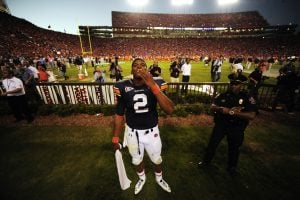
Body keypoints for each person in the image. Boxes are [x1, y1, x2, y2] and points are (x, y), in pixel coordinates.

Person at [112, 58, 174, 194]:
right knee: (136, 160)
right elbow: (119, 114)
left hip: (152, 132)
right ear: (131, 70)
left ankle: (159, 179)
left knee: (157, 159)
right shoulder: (122, 86)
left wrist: (153, 86)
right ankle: (142, 178)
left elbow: (169, 109)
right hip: (132, 133)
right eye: (135, 65)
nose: (139, 68)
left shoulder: (158, 82)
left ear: (147, 69)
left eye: (142, 66)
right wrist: (116, 137)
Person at [198, 74, 257, 176]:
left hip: (237, 127)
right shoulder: (223, 95)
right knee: (212, 144)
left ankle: (232, 167)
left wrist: (232, 112)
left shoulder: (247, 97)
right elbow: (212, 106)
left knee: (234, 148)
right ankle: (206, 162)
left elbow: (251, 115)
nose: (233, 86)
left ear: (241, 85)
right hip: (221, 124)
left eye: (236, 84)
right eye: (232, 83)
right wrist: (221, 109)